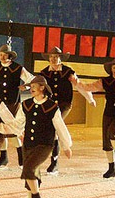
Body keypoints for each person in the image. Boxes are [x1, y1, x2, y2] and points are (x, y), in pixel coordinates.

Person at [14, 76, 73, 198]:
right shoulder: (26, 104)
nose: (31, 88)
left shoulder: (51, 107)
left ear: (42, 88)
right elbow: (18, 122)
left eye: (34, 86)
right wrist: (18, 132)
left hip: (44, 145)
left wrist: (66, 145)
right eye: (31, 86)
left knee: (28, 169)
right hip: (28, 145)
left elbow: (60, 126)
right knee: (30, 179)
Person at [38, 46, 95, 174]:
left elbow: (79, 85)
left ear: (60, 58)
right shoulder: (44, 73)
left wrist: (90, 98)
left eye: (56, 57)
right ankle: (50, 158)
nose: (53, 59)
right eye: (51, 57)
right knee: (50, 129)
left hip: (64, 104)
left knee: (55, 126)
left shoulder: (68, 72)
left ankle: (54, 161)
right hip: (49, 106)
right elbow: (36, 85)